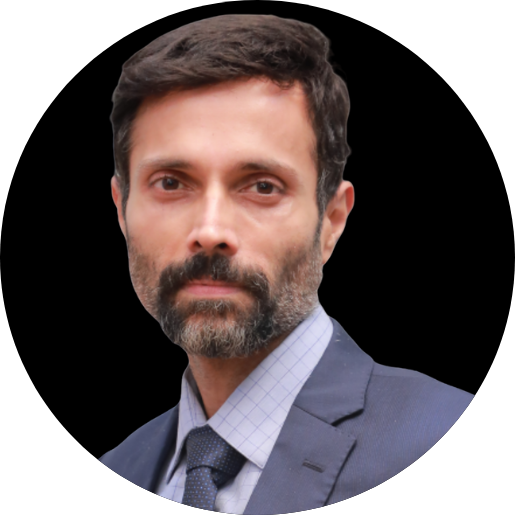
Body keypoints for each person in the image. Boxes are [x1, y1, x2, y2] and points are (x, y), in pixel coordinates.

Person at [98, 14, 474, 513]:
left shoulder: (437, 431)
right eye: (171, 183)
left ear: (332, 220)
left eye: (262, 186)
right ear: (121, 209)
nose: (210, 230)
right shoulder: (122, 466)